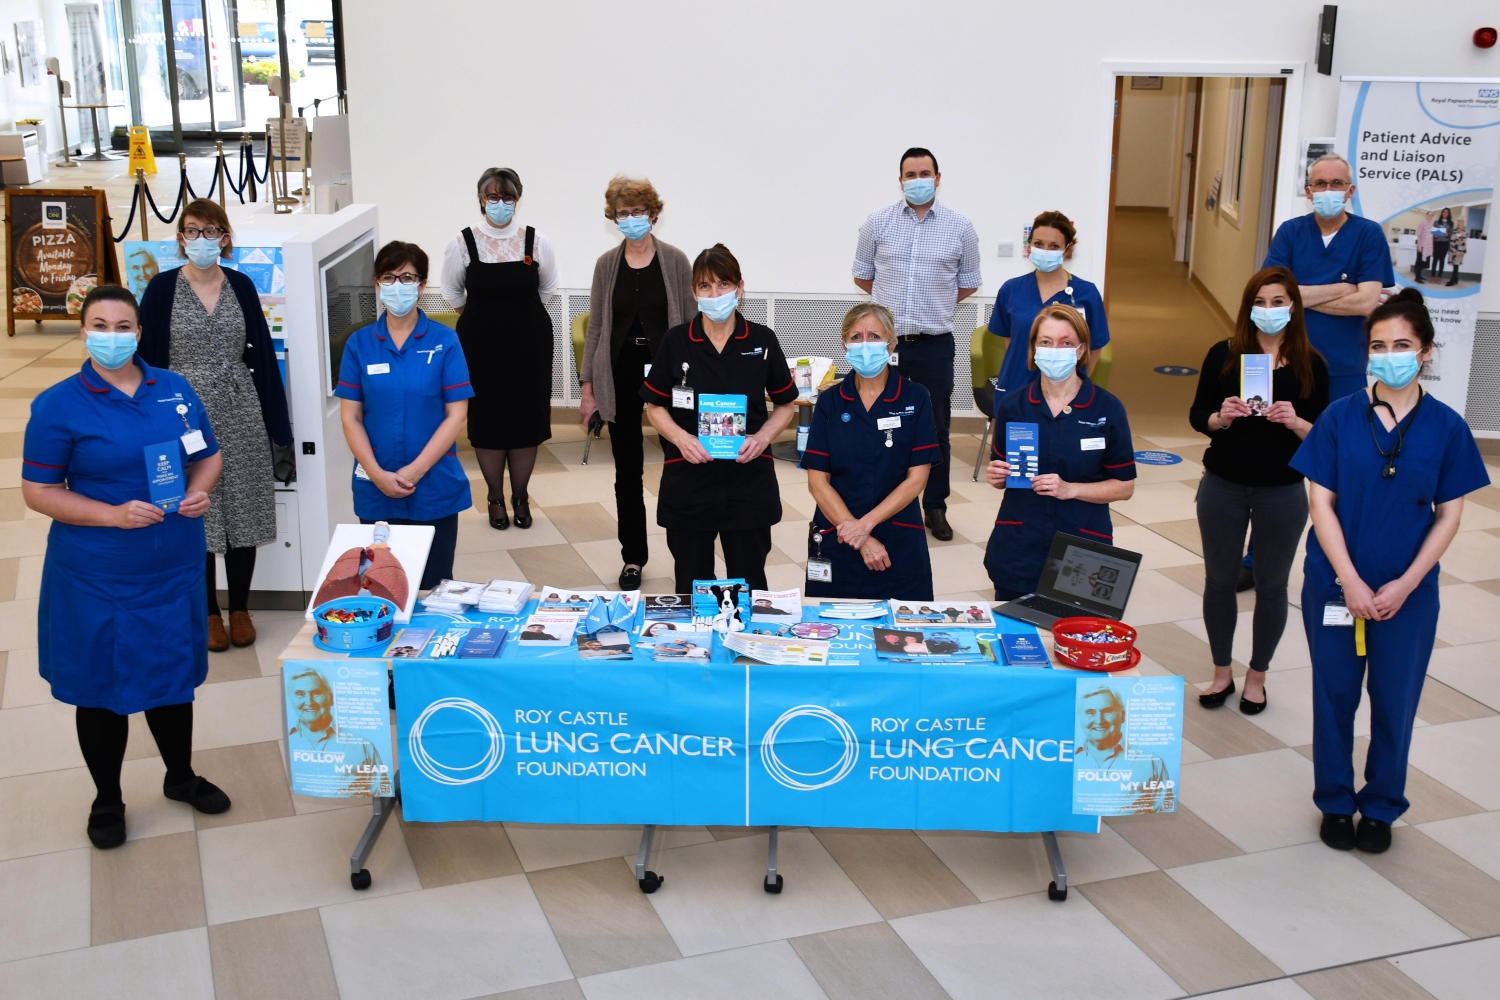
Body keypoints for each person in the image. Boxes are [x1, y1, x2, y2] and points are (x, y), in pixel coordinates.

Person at [23, 285, 231, 849]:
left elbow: (207, 455)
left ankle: (180, 776)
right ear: (83, 329)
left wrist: (199, 491)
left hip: (173, 563)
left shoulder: (175, 389)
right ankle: (107, 797)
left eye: (123, 326)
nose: (111, 336)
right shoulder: (59, 404)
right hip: (98, 573)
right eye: (100, 324)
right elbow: (38, 490)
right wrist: (110, 515)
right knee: (101, 685)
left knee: (171, 678)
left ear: (139, 333)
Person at [1291, 288, 1489, 854]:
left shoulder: (1447, 427)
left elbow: (1450, 515)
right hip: (1335, 582)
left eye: (1402, 344)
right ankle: (1334, 800)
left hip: (1409, 590)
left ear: (1425, 351)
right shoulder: (1337, 418)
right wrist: (1350, 580)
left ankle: (1380, 806)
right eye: (1379, 345)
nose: (1389, 354)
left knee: (1395, 699)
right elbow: (1320, 503)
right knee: (1334, 695)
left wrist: (1406, 583)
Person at [138, 199, 292, 653]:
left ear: (224, 237)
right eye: (191, 230)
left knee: (244, 508)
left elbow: (261, 355)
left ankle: (240, 607)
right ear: (180, 237)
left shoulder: (241, 285)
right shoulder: (162, 288)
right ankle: (208, 610)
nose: (200, 239)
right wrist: (146, 423)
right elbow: (147, 363)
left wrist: (277, 424)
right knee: (195, 510)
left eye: (210, 231)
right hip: (178, 413)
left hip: (239, 408)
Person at [1189, 267, 1329, 714]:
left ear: (1294, 307)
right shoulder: (1224, 354)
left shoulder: (1312, 363)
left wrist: (1296, 421)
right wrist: (1221, 417)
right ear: (1249, 307)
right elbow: (1197, 416)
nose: (1269, 311)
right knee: (1219, 581)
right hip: (1223, 486)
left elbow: (1326, 436)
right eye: (1261, 302)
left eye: (1278, 302)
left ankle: (1258, 675)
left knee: (1271, 586)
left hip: (1282, 490)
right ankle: (1221, 672)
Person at [642, 244, 798, 592]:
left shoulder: (762, 340)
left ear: (740, 288)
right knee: (693, 584)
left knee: (749, 583)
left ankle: (746, 643)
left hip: (747, 480)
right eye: (705, 286)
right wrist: (682, 439)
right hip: (690, 478)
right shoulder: (677, 341)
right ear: (694, 292)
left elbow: (786, 404)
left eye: (723, 285)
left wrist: (763, 438)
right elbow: (655, 406)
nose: (715, 295)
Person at [852, 147, 981, 542]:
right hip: (884, 347)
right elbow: (862, 276)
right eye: (910, 174)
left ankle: (935, 506)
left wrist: (934, 306)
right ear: (900, 179)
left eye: (925, 172)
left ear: (938, 178)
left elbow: (969, 282)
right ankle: (877, 503)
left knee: (935, 429)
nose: (918, 179)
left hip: (934, 345)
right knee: (876, 424)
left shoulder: (960, 227)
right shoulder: (877, 222)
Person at [580, 177, 697, 590]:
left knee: (679, 464)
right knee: (627, 472)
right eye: (622, 213)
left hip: (668, 374)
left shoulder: (677, 261)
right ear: (614, 217)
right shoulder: (605, 265)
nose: (630, 219)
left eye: (637, 211)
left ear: (653, 214)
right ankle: (633, 558)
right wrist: (588, 388)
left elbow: (690, 325)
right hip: (620, 373)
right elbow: (596, 328)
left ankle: (688, 552)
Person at [335, 241, 473, 590]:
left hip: (434, 483)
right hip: (376, 486)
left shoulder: (445, 341)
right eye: (389, 277)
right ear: (377, 283)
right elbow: (350, 417)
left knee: (434, 586)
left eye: (407, 277)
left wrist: (416, 470)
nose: (398, 286)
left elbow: (457, 415)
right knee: (381, 584)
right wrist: (376, 473)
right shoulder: (359, 344)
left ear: (422, 284)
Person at [983, 305, 1136, 599]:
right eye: (1046, 342)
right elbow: (1003, 468)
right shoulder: (1014, 406)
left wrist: (1071, 489)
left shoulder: (1107, 409)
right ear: (1033, 349)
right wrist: (997, 474)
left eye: (1066, 342)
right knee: (1018, 640)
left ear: (1080, 351)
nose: (1055, 350)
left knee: (1077, 639)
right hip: (1020, 544)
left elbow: (1124, 486)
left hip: (1082, 546)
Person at [442, 167, 558, 531]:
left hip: (529, 347)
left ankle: (520, 496)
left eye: (507, 197)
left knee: (526, 420)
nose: (500, 203)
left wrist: (514, 316)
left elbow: (548, 288)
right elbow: (451, 292)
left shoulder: (536, 241)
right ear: (481, 200)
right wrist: (483, 318)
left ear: (517, 200)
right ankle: (495, 497)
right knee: (488, 420)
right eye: (493, 197)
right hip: (480, 348)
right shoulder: (462, 242)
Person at [802, 302, 939, 600]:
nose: (866, 344)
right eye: (857, 337)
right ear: (844, 345)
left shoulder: (916, 398)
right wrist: (861, 538)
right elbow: (817, 482)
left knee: (904, 634)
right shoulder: (829, 401)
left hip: (896, 538)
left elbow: (917, 480)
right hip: (838, 533)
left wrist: (864, 526)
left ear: (891, 344)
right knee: (832, 631)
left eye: (875, 336)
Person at [1263, 154, 1394, 402]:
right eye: (1320, 184)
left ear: (1350, 190)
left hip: (1344, 366)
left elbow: (1365, 303)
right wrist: (1344, 288)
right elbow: (1271, 297)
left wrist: (1297, 297)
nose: (1328, 190)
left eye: (1336, 183)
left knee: (1340, 437)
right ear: (1309, 191)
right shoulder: (1290, 232)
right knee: (1287, 435)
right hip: (1288, 361)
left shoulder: (1368, 234)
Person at [989, 211, 1109, 398]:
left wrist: (1075, 381)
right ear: (1029, 246)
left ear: (1068, 250)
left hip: (1067, 392)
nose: (1045, 251)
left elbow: (1094, 348)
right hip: (1017, 388)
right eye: (1038, 244)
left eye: (1054, 246)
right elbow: (1012, 342)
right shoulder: (1011, 289)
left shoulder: (1086, 293)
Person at [286, 667, 391, 796]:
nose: (309, 702)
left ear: (331, 698)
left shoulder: (361, 744)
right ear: (291, 700)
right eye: (300, 694)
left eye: (317, 693)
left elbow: (382, 791)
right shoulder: (288, 741)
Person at [1075, 686, 1175, 814]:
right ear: (1080, 718)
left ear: (1123, 716)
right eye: (1090, 713)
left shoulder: (1151, 761)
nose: (1099, 720)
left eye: (1107, 711)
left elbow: (1164, 811)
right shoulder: (1066, 757)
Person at [1430, 208, 1453, 286]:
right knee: (1435, 260)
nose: (1445, 213)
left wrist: (1448, 235)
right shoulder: (1436, 222)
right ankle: (1432, 276)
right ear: (1442, 213)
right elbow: (1432, 233)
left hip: (1445, 243)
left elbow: (1451, 234)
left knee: (1442, 260)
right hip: (1437, 243)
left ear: (1449, 214)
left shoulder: (1450, 223)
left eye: (1447, 212)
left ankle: (1439, 277)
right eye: (1444, 212)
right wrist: (1435, 236)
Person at [1413, 212, 1433, 284]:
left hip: (1427, 246)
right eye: (1429, 215)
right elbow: (1419, 235)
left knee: (1423, 263)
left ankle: (1419, 275)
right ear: (1426, 215)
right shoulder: (1422, 224)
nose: (1430, 216)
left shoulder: (1431, 225)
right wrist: (1419, 246)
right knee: (1419, 262)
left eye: (1431, 215)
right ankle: (1417, 277)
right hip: (1422, 245)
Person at [1445, 217, 1466, 288]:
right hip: (1452, 250)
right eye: (1458, 221)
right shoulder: (1455, 230)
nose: (1459, 222)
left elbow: (1463, 242)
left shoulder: (1464, 231)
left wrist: (1459, 251)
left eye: (1461, 221)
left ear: (1463, 222)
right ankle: (1456, 278)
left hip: (1458, 251)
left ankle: (1452, 280)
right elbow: (1452, 239)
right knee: (1454, 265)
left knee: (1456, 266)